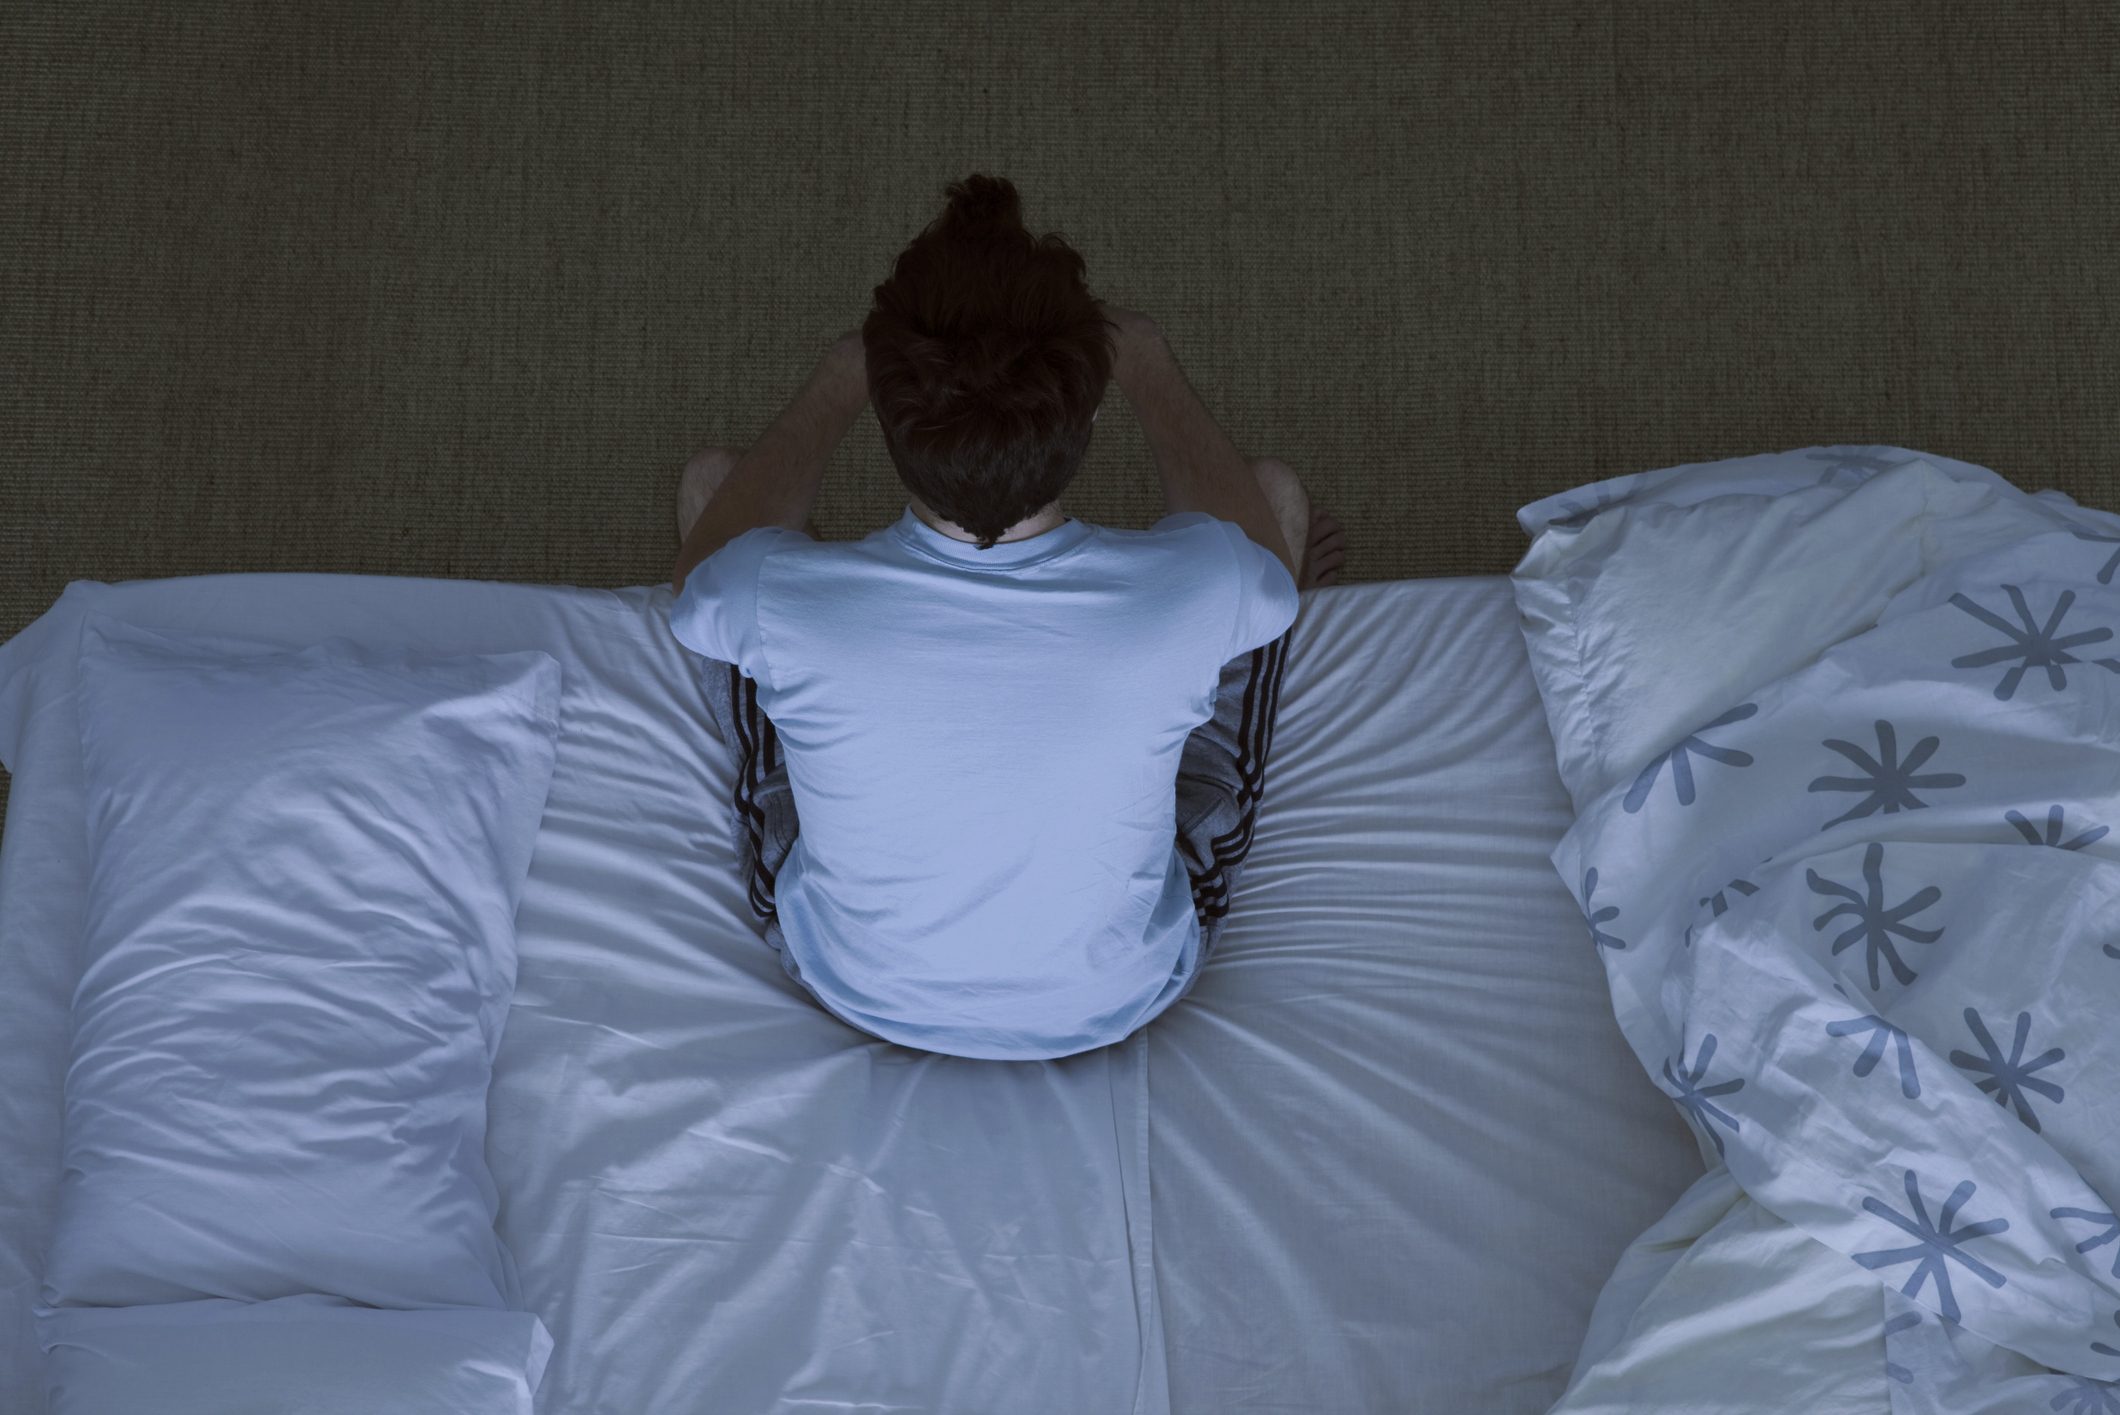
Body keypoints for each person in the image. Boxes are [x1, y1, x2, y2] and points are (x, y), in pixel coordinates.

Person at [667, 173, 1343, 1062]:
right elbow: (1264, 569)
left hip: (853, 980)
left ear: (888, 419)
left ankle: (830, 600)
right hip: (1123, 990)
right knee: (1277, 505)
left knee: (716, 488)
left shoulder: (761, 592)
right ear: (1091, 410)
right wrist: (1142, 354)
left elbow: (695, 583)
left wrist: (837, 381)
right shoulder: (1204, 580)